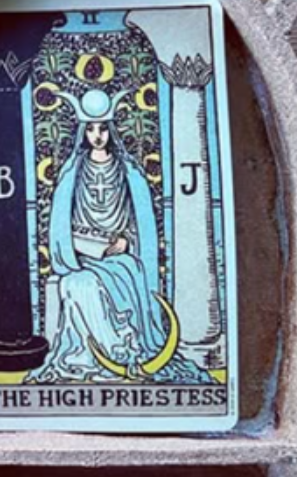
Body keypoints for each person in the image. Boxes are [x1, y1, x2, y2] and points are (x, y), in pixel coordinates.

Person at [31, 87, 201, 383]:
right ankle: (93, 357)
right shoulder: (73, 172)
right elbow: (61, 223)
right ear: (83, 132)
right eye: (91, 129)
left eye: (103, 129)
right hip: (83, 255)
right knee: (75, 283)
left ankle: (121, 353)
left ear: (111, 131)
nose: (97, 135)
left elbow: (139, 221)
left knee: (111, 276)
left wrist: (125, 241)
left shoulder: (129, 172)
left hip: (121, 257)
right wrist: (78, 247)